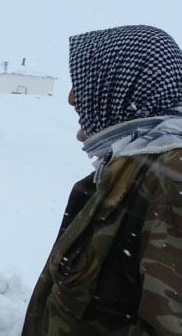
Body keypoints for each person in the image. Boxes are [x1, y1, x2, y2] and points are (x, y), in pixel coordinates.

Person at [22, 25, 182, 335]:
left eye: (87, 82)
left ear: (126, 88)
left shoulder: (172, 178)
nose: (72, 98)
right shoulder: (126, 172)